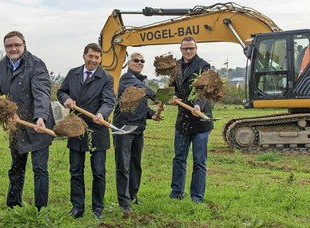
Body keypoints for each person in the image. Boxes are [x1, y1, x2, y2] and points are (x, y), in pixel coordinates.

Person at [0, 31, 54, 211]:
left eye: (17, 45)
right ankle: (14, 207)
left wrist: (40, 118)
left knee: (40, 169)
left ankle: (41, 210)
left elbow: (42, 93)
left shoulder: (36, 65)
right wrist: (6, 112)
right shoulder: (2, 66)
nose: (13, 48)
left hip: (37, 125)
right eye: (9, 46)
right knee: (16, 168)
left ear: (24, 45)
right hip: (16, 126)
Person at [57, 43, 115, 220]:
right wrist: (66, 99)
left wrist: (101, 113)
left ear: (100, 59)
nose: (93, 60)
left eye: (97, 57)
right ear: (84, 56)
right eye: (91, 56)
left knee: (98, 171)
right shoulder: (73, 74)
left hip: (97, 128)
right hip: (75, 128)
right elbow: (61, 91)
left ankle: (98, 208)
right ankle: (77, 207)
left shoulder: (106, 78)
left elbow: (109, 101)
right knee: (75, 170)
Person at [112, 52, 163, 216]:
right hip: (123, 129)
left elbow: (141, 106)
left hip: (138, 129)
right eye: (136, 60)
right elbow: (141, 90)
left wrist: (153, 114)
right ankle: (124, 202)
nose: (139, 63)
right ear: (128, 62)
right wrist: (158, 97)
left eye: (142, 61)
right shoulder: (128, 79)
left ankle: (133, 195)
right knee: (123, 166)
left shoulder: (141, 81)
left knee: (135, 165)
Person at [168, 36, 213, 204]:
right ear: (181, 50)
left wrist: (199, 106)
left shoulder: (204, 67)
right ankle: (176, 193)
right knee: (179, 158)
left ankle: (197, 197)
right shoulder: (176, 67)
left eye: (191, 48)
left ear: (196, 49)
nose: (188, 51)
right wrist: (172, 96)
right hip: (183, 120)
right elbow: (172, 87)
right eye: (185, 48)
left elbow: (205, 91)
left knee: (199, 161)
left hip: (200, 121)